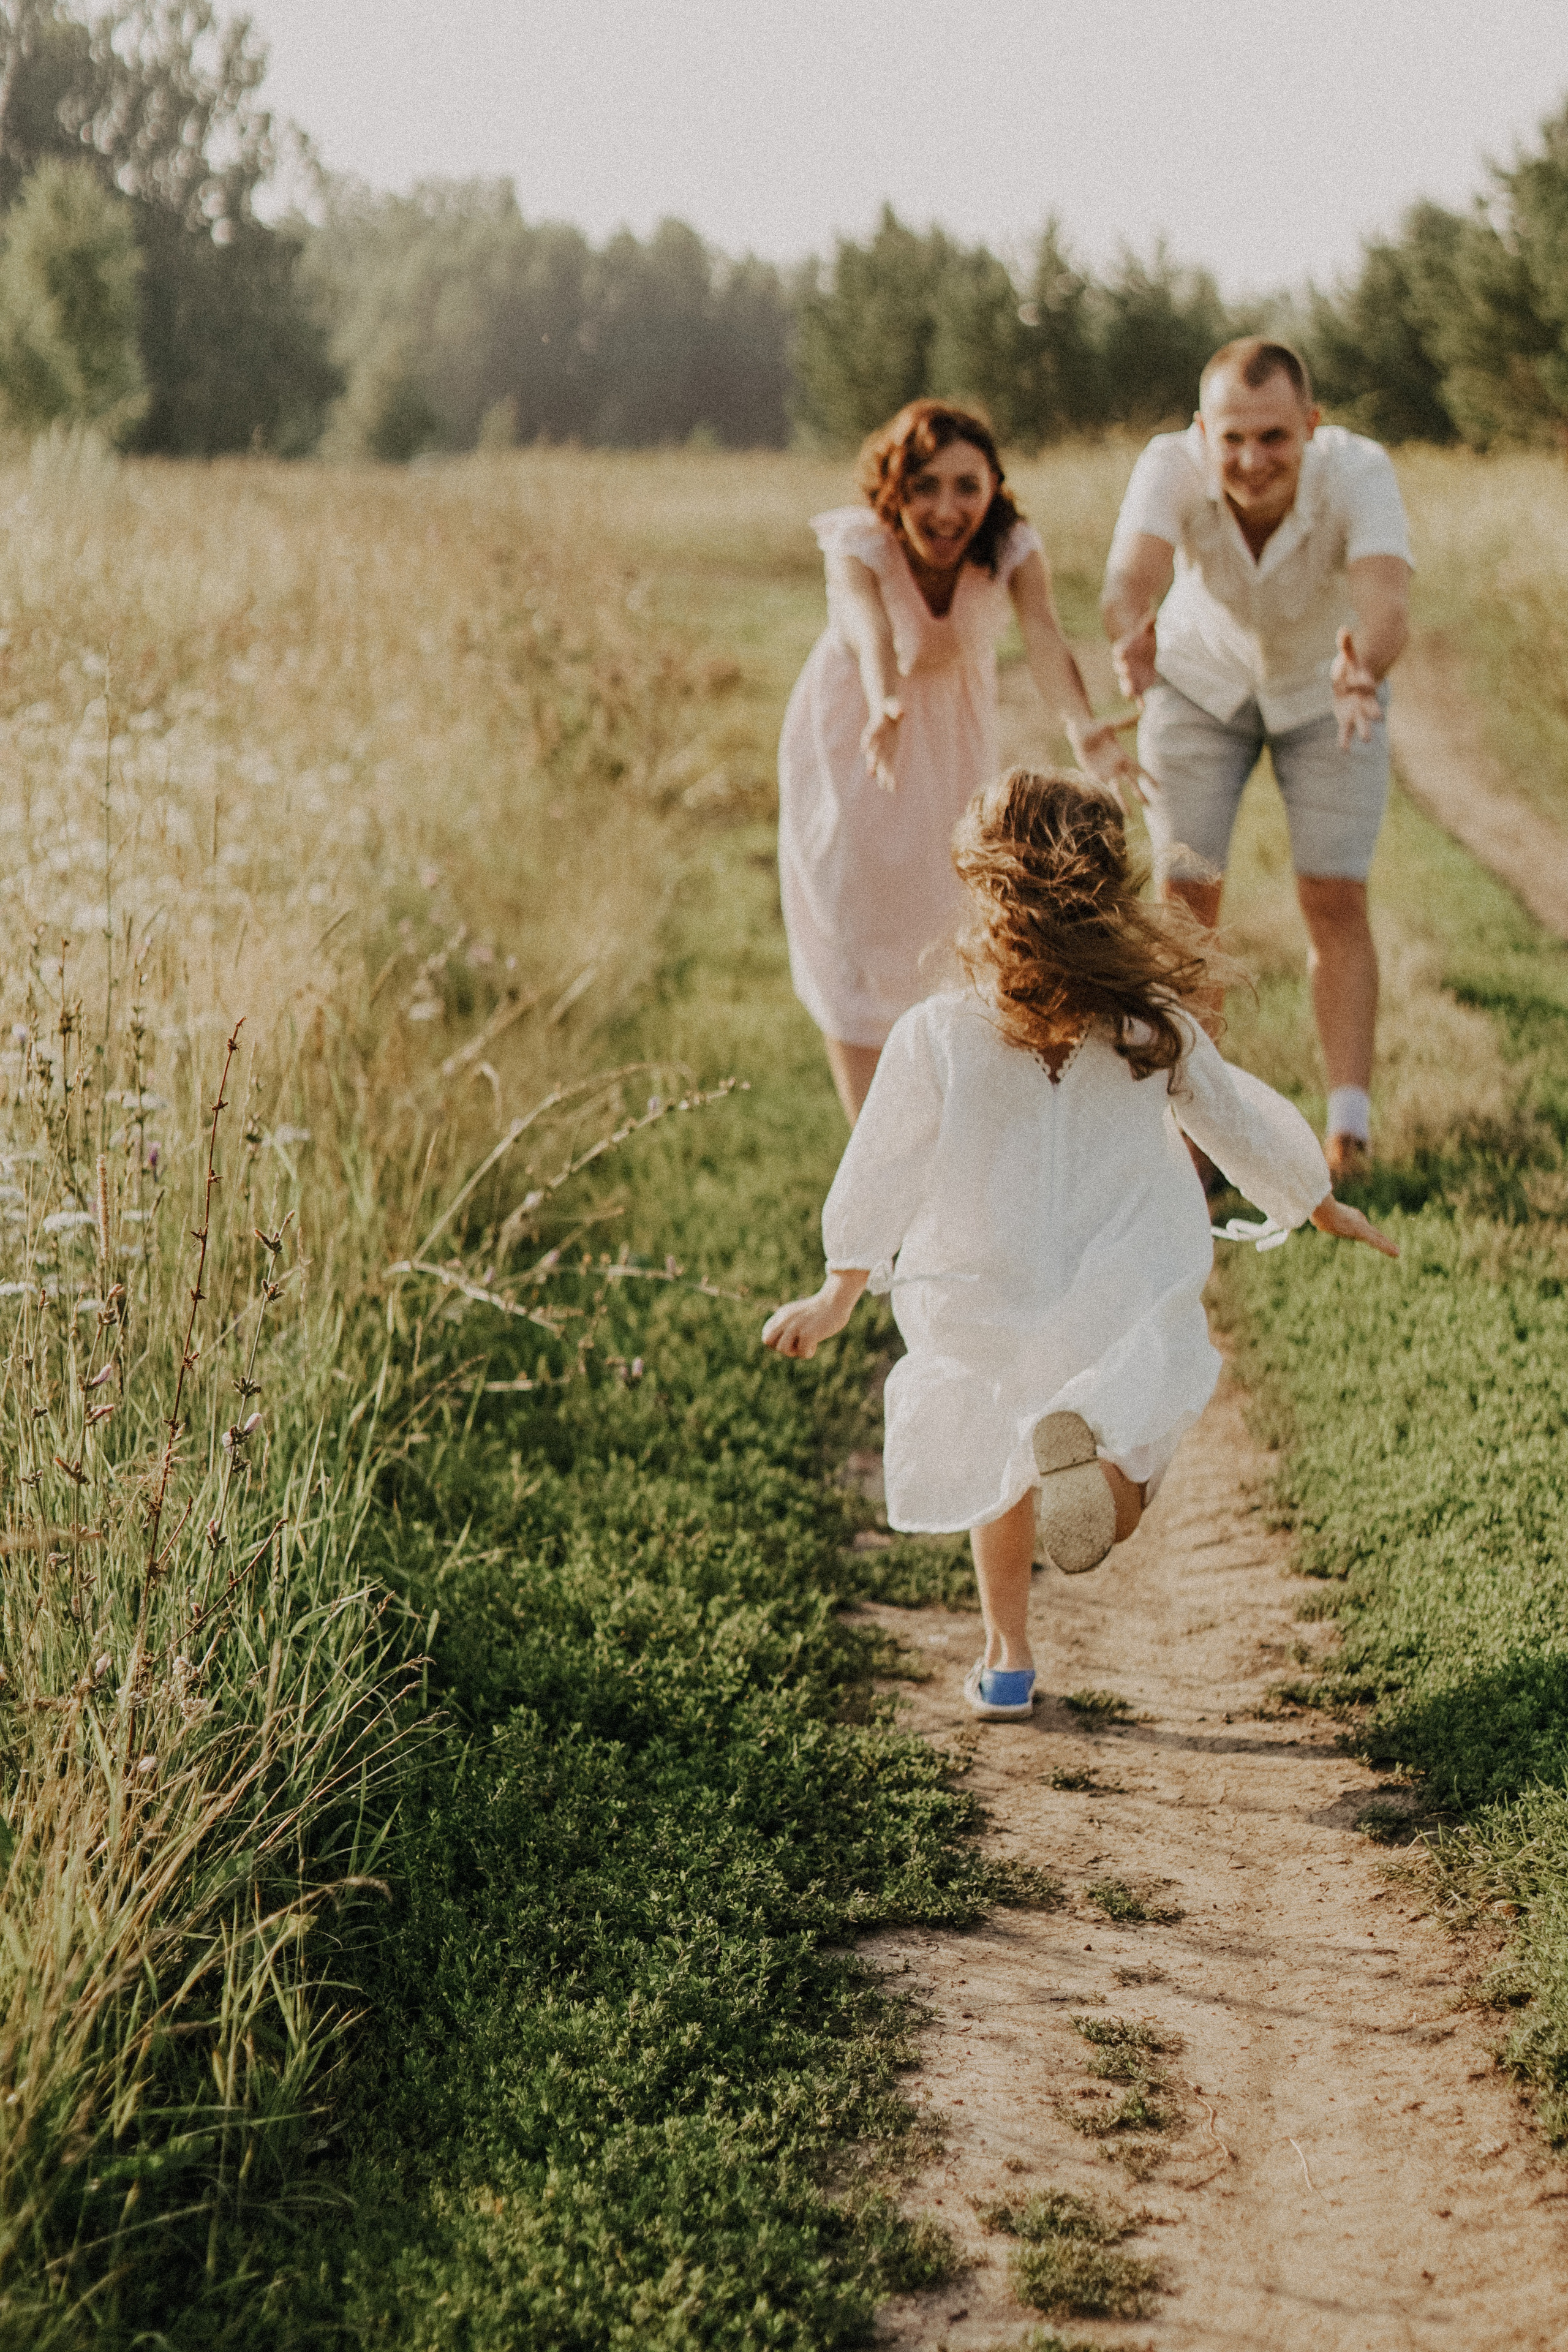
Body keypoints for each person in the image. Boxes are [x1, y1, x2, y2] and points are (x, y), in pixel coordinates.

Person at [762, 769, 1395, 1721]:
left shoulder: (938, 1033)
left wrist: (838, 1289)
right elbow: (1234, 1121)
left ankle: (1007, 1659)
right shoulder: (1150, 1027)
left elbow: (881, 1165)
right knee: (1134, 1429)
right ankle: (1101, 1481)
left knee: (997, 1456)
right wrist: (1312, 1199)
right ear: (1109, 897)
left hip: (984, 1283)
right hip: (1116, 1280)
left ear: (988, 897)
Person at [1099, 338, 1413, 1184]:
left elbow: (1387, 604)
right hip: (1200, 686)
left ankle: (1348, 1131)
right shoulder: (1169, 464)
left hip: (1327, 691)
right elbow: (1129, 580)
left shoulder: (1359, 470)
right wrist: (1131, 633)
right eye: (1231, 438)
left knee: (1333, 895)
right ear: (1204, 431)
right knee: (1186, 901)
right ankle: (1195, 1136)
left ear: (1311, 424)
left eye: (1274, 437)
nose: (1251, 460)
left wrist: (1364, 667)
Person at [778, 398, 1139, 1125]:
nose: (947, 510)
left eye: (966, 486)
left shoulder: (1011, 548)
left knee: (954, 925)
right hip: (859, 741)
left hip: (953, 749)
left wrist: (1082, 727)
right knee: (855, 931)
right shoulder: (859, 543)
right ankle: (872, 1140)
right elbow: (870, 627)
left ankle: (948, 1132)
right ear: (894, 490)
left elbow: (1044, 635)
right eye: (925, 487)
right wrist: (885, 700)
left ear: (992, 487)